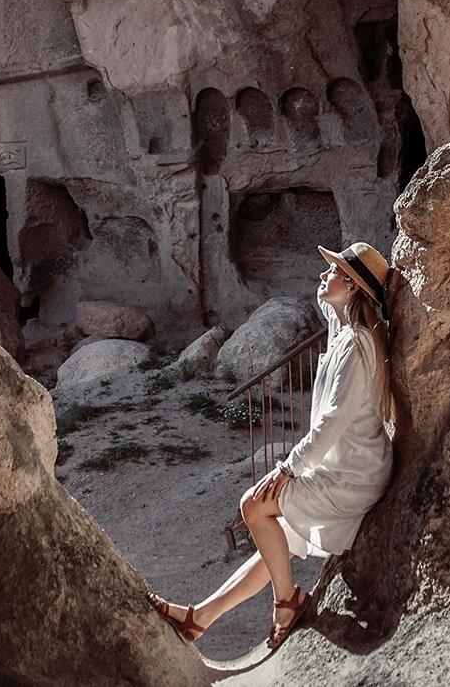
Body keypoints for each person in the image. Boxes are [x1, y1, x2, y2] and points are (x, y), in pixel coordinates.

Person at [148, 241, 394, 650]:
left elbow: (333, 422)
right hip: (344, 468)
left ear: (351, 287)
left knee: (254, 505)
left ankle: (288, 603)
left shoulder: (355, 343)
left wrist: (288, 468)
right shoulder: (343, 336)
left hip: (354, 476)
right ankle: (199, 619)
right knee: (274, 541)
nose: (322, 275)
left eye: (332, 271)